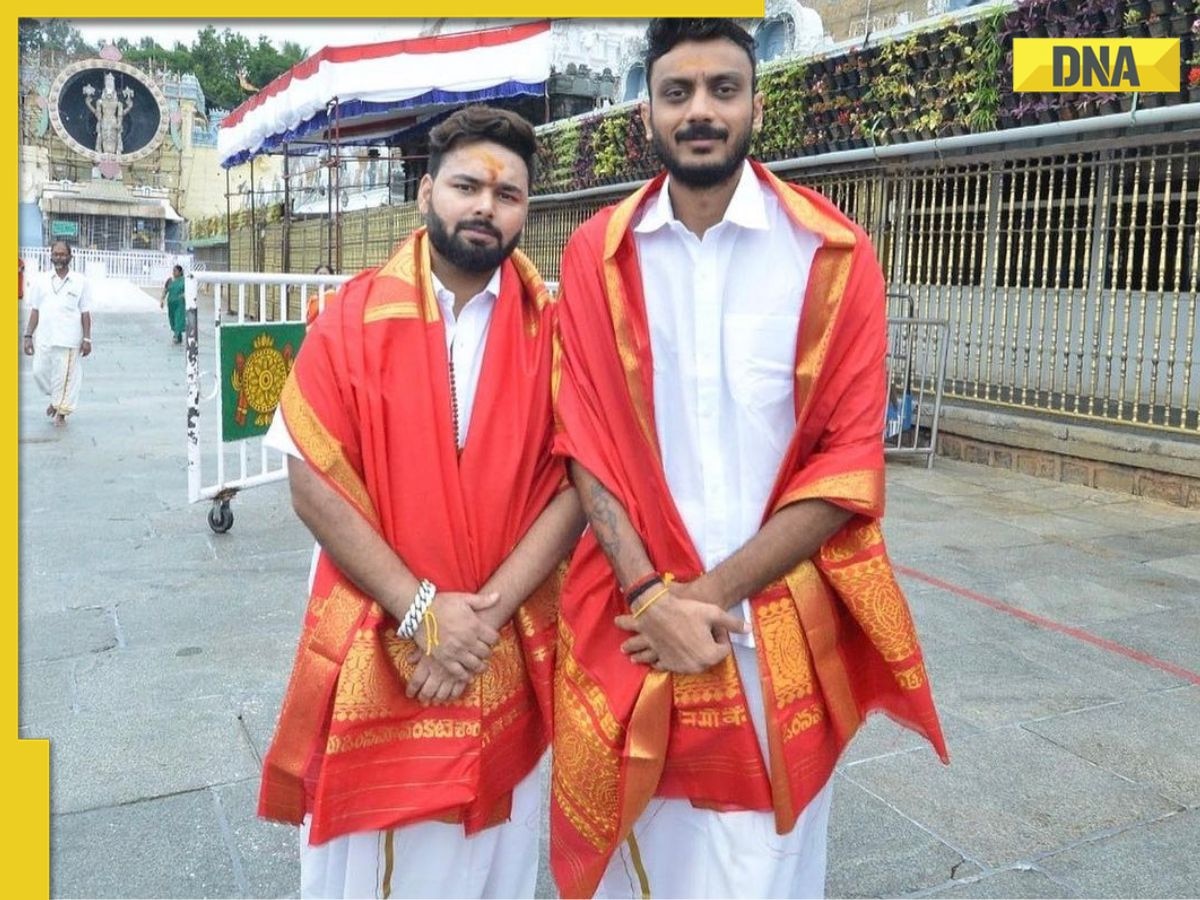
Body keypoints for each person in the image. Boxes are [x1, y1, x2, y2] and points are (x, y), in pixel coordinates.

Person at [549, 19, 948, 899]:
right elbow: (582, 439)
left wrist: (705, 598)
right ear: (645, 111)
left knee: (766, 869)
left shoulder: (830, 255)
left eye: (723, 90)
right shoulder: (596, 256)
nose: (700, 111)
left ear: (756, 105)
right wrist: (652, 596)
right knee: (638, 864)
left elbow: (846, 468)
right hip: (633, 621)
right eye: (677, 92)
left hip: (769, 628)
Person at [258, 105, 584, 899]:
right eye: (467, 185)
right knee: (374, 862)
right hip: (379, 621)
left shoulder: (560, 333)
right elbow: (313, 480)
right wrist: (422, 614)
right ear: (425, 191)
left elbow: (581, 484)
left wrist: (479, 620)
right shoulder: (350, 318)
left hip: (498, 634)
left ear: (526, 211)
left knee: (495, 858)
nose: (486, 205)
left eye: (508, 195)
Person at [23, 240, 92, 426]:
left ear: (70, 256)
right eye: (56, 254)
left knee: (66, 378)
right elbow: (35, 310)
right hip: (45, 337)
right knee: (39, 372)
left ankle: (61, 413)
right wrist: (28, 336)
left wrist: (87, 338)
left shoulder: (80, 281)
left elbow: (85, 312)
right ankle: (56, 399)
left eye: (63, 254)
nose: (59, 257)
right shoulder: (41, 281)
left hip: (69, 339)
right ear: (51, 256)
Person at [84, 72, 134, 155]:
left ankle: (114, 152)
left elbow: (120, 114)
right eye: (108, 83)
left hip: (113, 121)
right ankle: (102, 151)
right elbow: (97, 114)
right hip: (104, 121)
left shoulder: (118, 103)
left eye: (111, 83)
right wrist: (88, 103)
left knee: (113, 137)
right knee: (104, 136)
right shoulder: (99, 102)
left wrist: (129, 107)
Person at [161, 264, 186, 343]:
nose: (173, 272)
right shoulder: (169, 280)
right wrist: (162, 300)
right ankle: (178, 335)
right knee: (172, 320)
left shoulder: (184, 281)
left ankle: (176, 335)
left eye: (175, 271)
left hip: (180, 303)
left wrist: (183, 295)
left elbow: (188, 291)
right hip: (171, 303)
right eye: (173, 271)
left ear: (180, 272)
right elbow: (165, 290)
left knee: (178, 318)